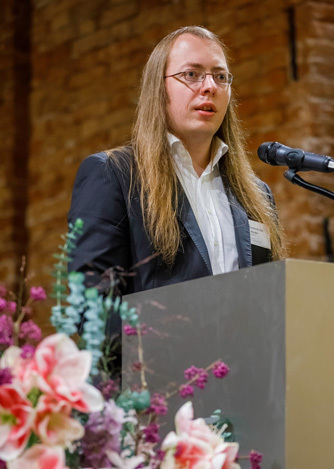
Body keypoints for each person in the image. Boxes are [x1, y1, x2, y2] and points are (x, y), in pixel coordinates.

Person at [68, 25, 287, 298]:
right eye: (191, 75)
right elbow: (92, 305)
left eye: (220, 76)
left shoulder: (255, 195)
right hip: (152, 342)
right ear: (159, 88)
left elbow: (271, 298)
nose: (209, 87)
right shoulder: (113, 174)